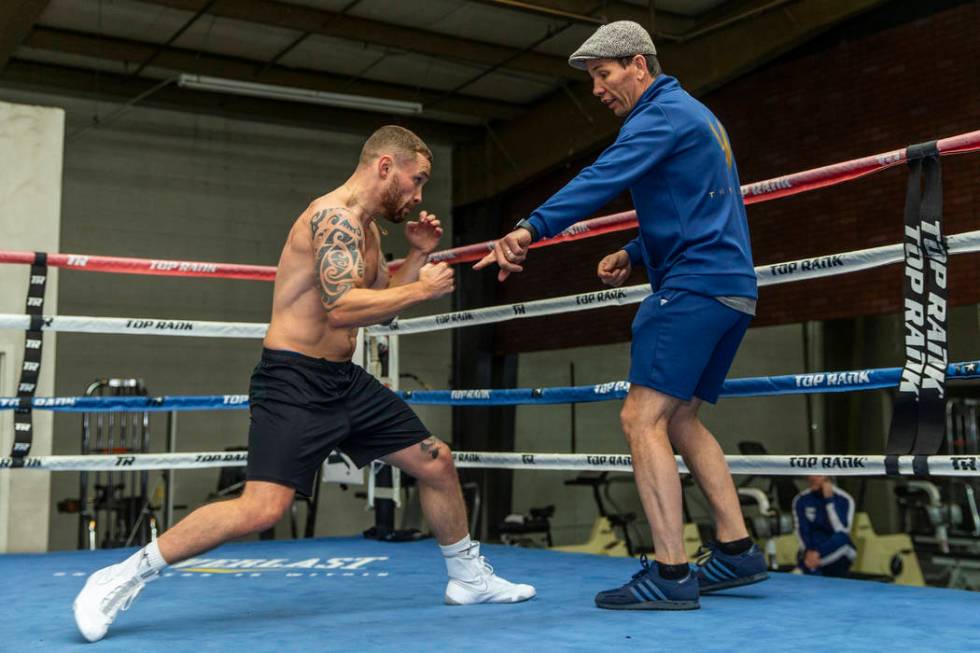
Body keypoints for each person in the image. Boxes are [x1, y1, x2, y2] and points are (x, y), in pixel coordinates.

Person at [73, 125, 535, 643]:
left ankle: (469, 579)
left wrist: (419, 258)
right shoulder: (332, 218)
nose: (419, 194)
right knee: (261, 508)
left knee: (435, 460)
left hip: (343, 380)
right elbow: (342, 307)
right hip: (293, 380)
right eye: (416, 179)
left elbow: (377, 307)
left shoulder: (368, 231)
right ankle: (120, 575)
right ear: (386, 166)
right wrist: (423, 291)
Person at [475, 21, 766, 610]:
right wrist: (636, 251)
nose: (597, 90)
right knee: (681, 419)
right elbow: (698, 200)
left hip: (693, 288)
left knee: (641, 419)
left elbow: (600, 177)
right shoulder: (697, 114)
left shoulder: (657, 116)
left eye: (603, 75)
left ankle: (672, 573)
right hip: (732, 287)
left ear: (638, 64)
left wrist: (529, 228)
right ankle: (737, 552)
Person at [793, 476, 857, 577]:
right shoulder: (801, 499)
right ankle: (809, 565)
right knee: (802, 551)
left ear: (828, 476)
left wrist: (829, 501)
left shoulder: (844, 499)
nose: (812, 477)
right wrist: (809, 552)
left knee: (843, 539)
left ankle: (804, 567)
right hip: (812, 549)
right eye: (810, 473)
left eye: (818, 474)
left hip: (836, 548)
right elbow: (801, 530)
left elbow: (841, 531)